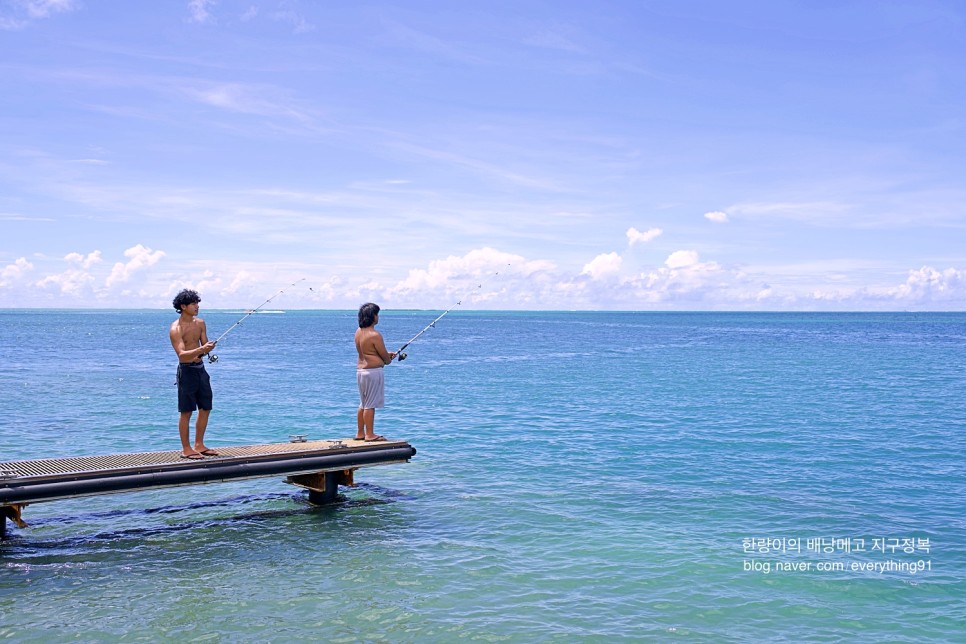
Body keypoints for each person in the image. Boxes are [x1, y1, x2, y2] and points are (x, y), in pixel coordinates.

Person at [169, 289, 219, 459]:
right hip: (186, 372)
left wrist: (208, 349)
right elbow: (182, 355)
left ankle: (199, 444)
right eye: (193, 304)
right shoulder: (176, 328)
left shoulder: (200, 323)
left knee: (205, 408)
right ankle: (186, 449)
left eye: (197, 303)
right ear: (183, 306)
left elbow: (204, 347)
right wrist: (202, 349)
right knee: (186, 411)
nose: (197, 306)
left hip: (201, 370)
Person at [354, 302, 396, 442]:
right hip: (373, 372)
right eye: (377, 314)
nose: (378, 317)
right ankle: (370, 435)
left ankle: (360, 433)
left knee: (363, 403)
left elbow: (368, 352)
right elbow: (384, 358)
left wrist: (383, 356)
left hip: (360, 371)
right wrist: (389, 359)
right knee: (370, 404)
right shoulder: (375, 334)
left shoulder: (358, 332)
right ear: (372, 316)